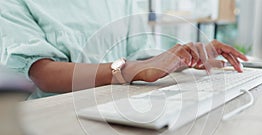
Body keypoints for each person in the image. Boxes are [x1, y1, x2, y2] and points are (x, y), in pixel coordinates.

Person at [0, 0, 248, 99]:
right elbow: (42, 73)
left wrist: (187, 55)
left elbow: (141, 55)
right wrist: (127, 71)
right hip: (57, 118)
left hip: (120, 104)